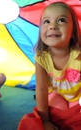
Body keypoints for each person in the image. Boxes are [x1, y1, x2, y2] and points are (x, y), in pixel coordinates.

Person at [34, 1, 81, 130]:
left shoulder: (79, 56)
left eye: (61, 20)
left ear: (73, 31)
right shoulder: (41, 58)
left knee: (75, 116)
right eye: (46, 22)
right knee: (51, 114)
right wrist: (45, 121)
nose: (52, 26)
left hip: (77, 97)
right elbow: (41, 90)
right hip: (56, 96)